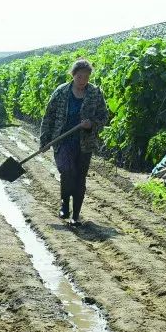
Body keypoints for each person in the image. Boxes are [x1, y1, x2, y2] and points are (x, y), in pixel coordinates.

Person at [39, 59, 109, 226]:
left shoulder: (95, 93)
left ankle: (75, 215)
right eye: (79, 77)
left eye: (86, 77)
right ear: (73, 75)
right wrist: (44, 140)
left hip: (84, 142)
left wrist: (91, 124)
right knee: (67, 171)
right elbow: (48, 116)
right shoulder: (61, 92)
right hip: (62, 140)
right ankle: (64, 203)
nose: (82, 81)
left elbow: (103, 116)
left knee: (80, 177)